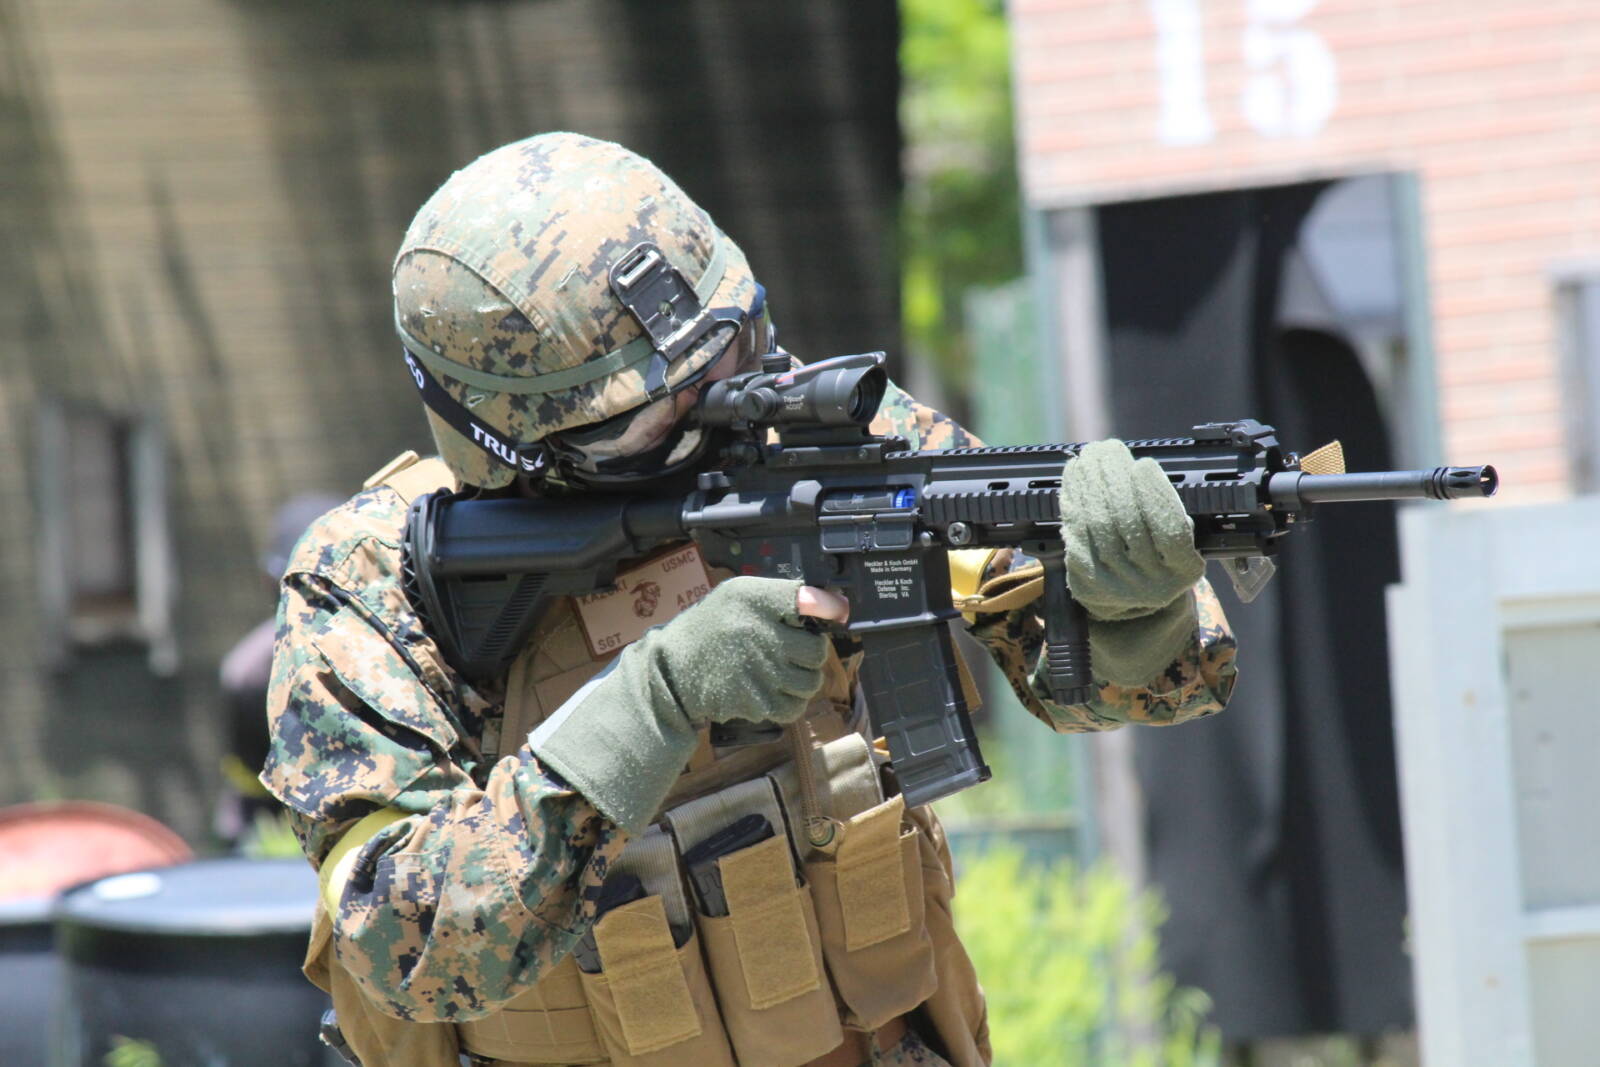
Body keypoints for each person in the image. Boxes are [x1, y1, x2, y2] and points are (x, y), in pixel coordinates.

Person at [262, 132, 1237, 1067]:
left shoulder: (819, 443)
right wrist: (657, 700)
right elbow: (404, 942)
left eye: (734, 351)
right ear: (502, 439)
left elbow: (1104, 678)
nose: (723, 412)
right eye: (652, 416)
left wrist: (1132, 610)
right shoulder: (374, 581)